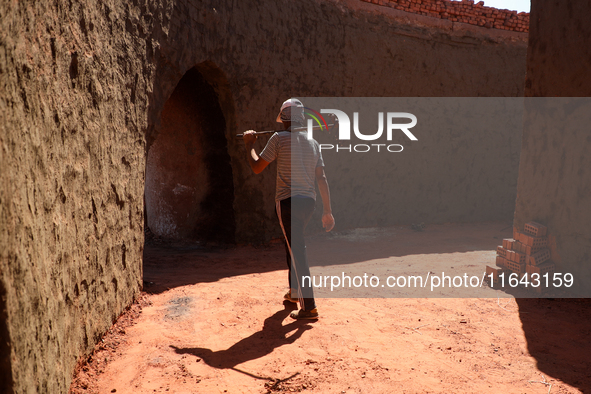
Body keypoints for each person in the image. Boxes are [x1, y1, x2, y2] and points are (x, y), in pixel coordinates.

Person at [243, 98, 335, 319]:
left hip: (287, 202)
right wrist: (327, 210)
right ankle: (295, 292)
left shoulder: (278, 138)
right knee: (292, 246)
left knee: (297, 251)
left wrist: (249, 145)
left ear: (283, 119)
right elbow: (321, 178)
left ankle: (309, 306)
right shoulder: (313, 142)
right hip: (308, 203)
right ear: (301, 118)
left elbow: (257, 167)